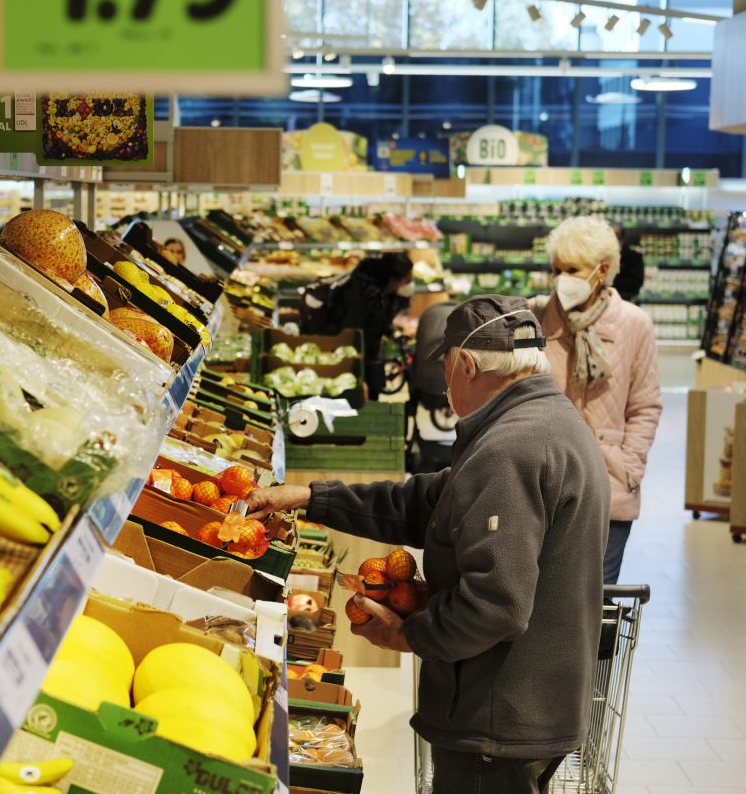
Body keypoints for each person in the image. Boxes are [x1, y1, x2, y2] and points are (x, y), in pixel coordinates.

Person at [244, 295, 609, 794]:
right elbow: (425, 503)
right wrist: (311, 497)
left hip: (496, 715)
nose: (443, 383)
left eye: (446, 367)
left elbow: (495, 605)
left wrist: (409, 636)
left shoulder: (510, 449)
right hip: (528, 705)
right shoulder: (548, 423)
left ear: (467, 363)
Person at [539, 216, 661, 584]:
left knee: (597, 602)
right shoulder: (537, 320)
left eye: (572, 269)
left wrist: (629, 467)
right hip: (545, 483)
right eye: (556, 269)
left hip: (610, 483)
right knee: (543, 601)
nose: (561, 278)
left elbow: (645, 406)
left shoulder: (635, 325)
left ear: (602, 270)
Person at [323, 251, 415, 400]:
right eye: (405, 281)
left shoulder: (378, 291)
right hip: (349, 358)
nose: (409, 283)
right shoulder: (361, 295)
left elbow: (379, 321)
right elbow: (353, 333)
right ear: (392, 280)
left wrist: (391, 332)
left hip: (366, 355)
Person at [609, 223, 645, 302]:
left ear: (621, 239)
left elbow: (635, 282)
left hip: (626, 299)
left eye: (616, 236)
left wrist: (609, 281)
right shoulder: (601, 256)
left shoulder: (634, 257)